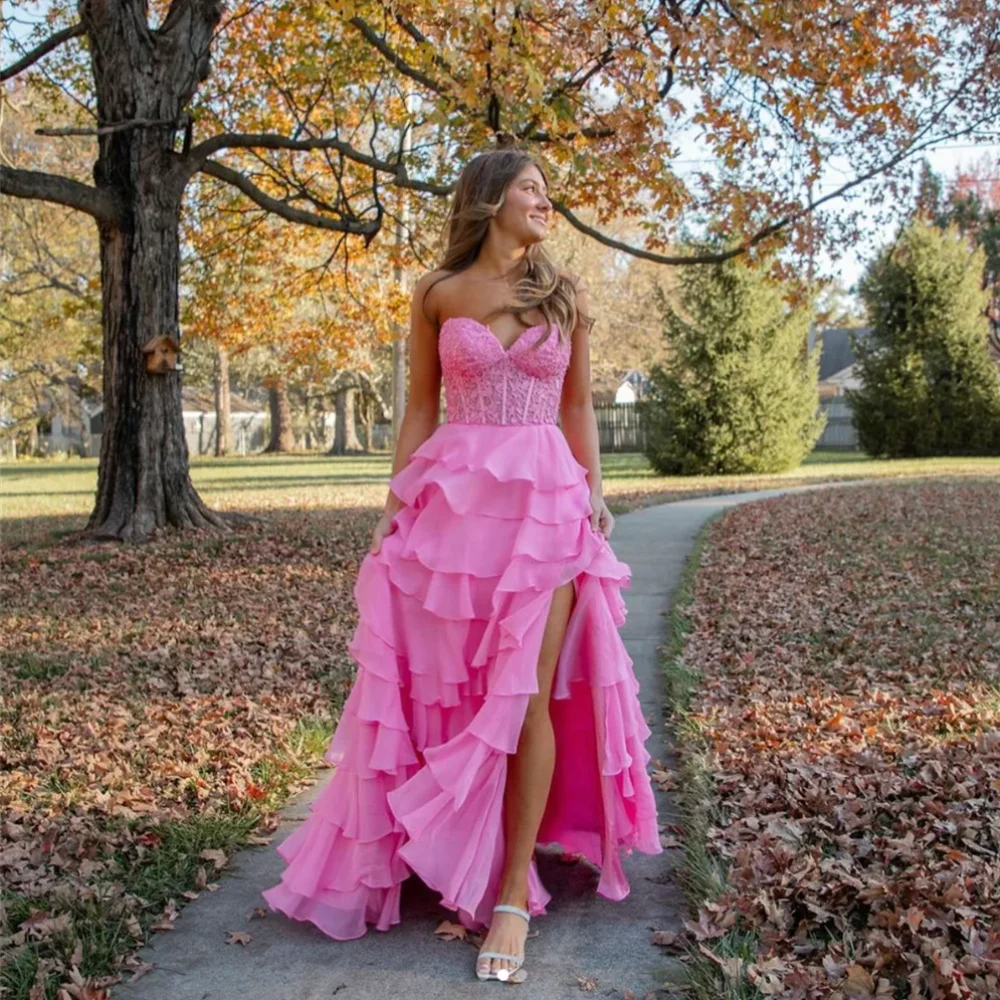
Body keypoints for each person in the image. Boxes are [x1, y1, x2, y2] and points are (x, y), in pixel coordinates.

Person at [261, 140, 662, 984]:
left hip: (546, 505)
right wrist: (393, 506)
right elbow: (418, 406)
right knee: (453, 689)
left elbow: (580, 403)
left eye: (548, 191)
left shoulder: (566, 293)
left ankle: (511, 895)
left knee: (525, 698)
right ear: (489, 200)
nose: (545, 203)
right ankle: (442, 849)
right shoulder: (438, 295)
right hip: (453, 508)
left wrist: (594, 492)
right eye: (530, 189)